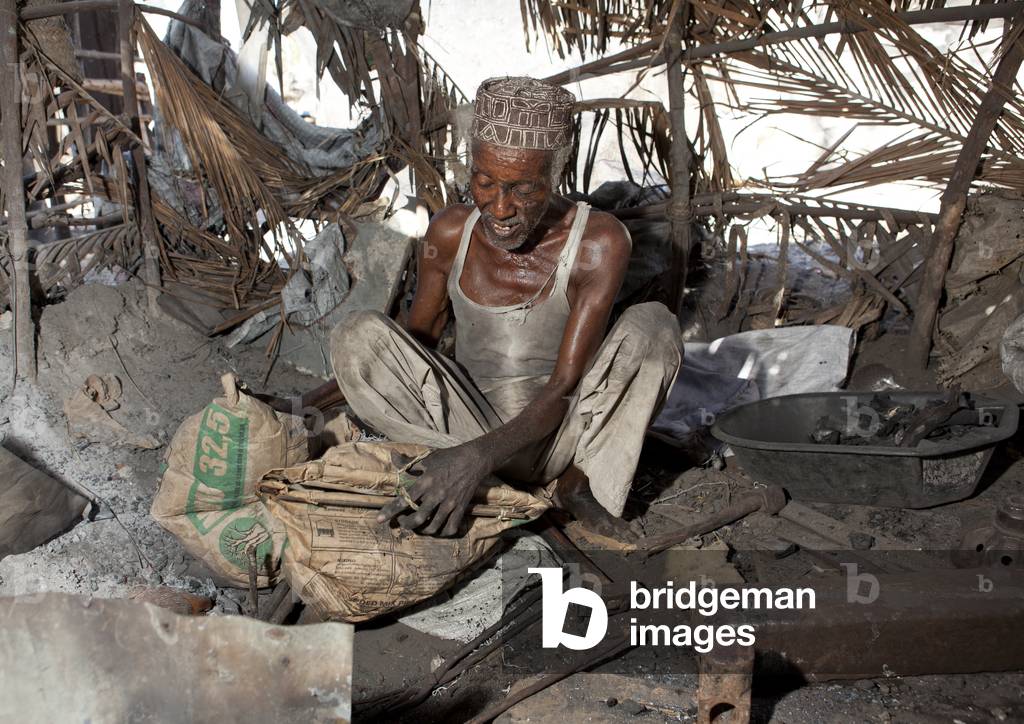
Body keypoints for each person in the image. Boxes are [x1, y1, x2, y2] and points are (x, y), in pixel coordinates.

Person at [303, 77, 683, 539]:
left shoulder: (597, 242)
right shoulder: (449, 232)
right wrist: (302, 404)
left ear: (554, 174)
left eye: (523, 189)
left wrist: (476, 459)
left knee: (654, 326)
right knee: (357, 333)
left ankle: (580, 485)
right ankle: (470, 476)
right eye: (484, 183)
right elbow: (414, 341)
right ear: (471, 171)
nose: (500, 208)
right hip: (461, 429)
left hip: (560, 436)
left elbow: (565, 386)